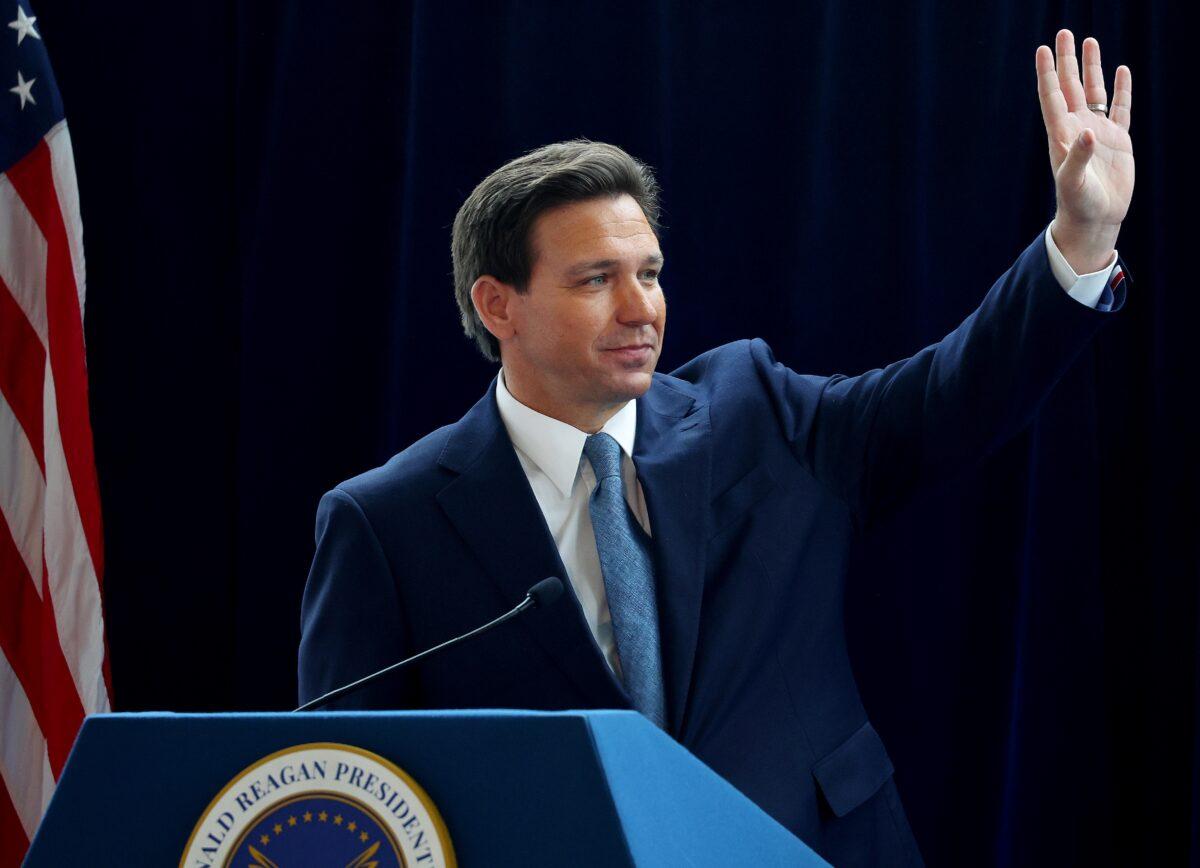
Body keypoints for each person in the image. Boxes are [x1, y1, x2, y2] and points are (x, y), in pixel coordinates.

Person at [298, 30, 1133, 866]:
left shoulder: (757, 415)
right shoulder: (387, 521)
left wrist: (1081, 240)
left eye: (650, 274)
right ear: (498, 304)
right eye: (597, 280)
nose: (641, 309)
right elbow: (350, 790)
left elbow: (954, 395)